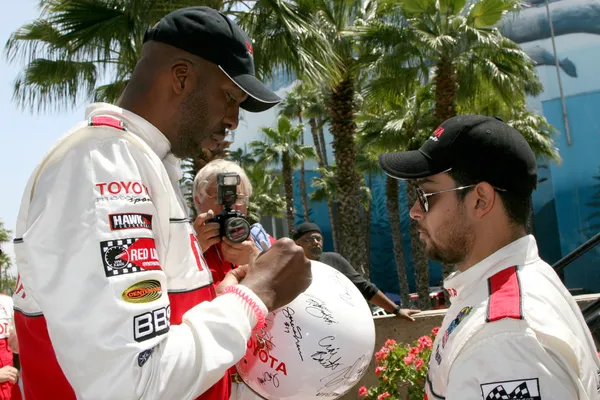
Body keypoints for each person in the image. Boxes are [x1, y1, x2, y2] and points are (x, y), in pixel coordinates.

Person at [12, 6, 311, 400]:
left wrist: (216, 300)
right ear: (182, 77)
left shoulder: (135, 163)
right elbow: (130, 384)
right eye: (229, 98)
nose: (234, 120)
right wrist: (256, 294)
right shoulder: (103, 165)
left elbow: (147, 329)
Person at [378, 115, 600, 400]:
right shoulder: (522, 284)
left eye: (426, 195)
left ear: (480, 199)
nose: (415, 211)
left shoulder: (504, 339)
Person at [192, 159, 273, 400]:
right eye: (220, 197)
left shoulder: (261, 241)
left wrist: (256, 261)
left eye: (237, 198)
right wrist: (192, 251)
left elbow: (292, 288)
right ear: (198, 200)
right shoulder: (177, 244)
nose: (228, 206)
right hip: (209, 380)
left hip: (262, 379)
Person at [293, 222, 420, 321]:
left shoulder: (334, 260)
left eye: (318, 238)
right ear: (297, 244)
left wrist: (396, 310)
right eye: (309, 239)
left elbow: (365, 287)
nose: (316, 243)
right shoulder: (289, 268)